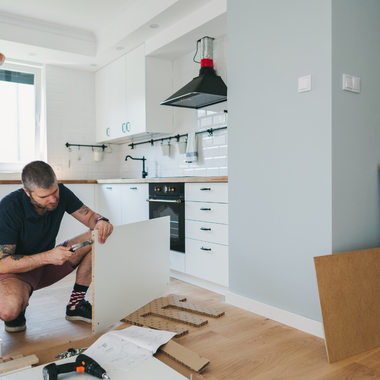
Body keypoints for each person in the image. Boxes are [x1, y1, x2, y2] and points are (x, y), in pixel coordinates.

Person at [0, 161, 113, 332]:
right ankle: (18, 309)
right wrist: (47, 256)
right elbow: (3, 263)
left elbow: (91, 218)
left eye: (54, 192)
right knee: (8, 311)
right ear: (27, 192)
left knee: (98, 236)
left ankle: (75, 305)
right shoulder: (8, 208)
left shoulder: (63, 192)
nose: (52, 200)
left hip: (50, 263)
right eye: (44, 197)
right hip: (16, 271)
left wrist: (100, 221)